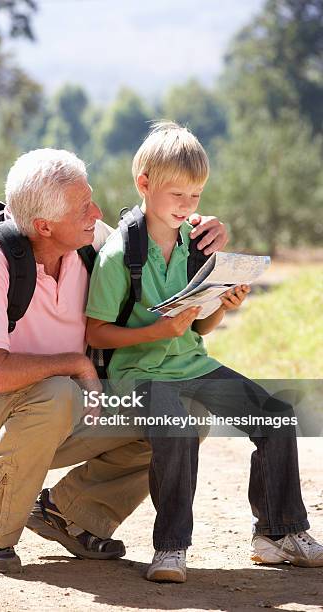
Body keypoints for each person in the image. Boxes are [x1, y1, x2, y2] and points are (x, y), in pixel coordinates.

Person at [0, 147, 228, 573]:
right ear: (44, 225)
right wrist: (76, 363)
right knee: (57, 391)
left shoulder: (91, 243)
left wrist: (203, 229)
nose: (97, 211)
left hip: (64, 407)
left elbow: (153, 228)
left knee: (182, 413)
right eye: (84, 206)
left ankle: (71, 515)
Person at [85, 121, 323, 583]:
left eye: (195, 196)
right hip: (137, 375)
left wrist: (223, 306)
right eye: (177, 194)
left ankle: (277, 533)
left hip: (191, 363)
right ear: (144, 184)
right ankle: (171, 549)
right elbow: (96, 333)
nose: (187, 206)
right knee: (177, 428)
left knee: (275, 415)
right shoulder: (119, 256)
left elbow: (201, 326)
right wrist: (158, 328)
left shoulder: (195, 245)